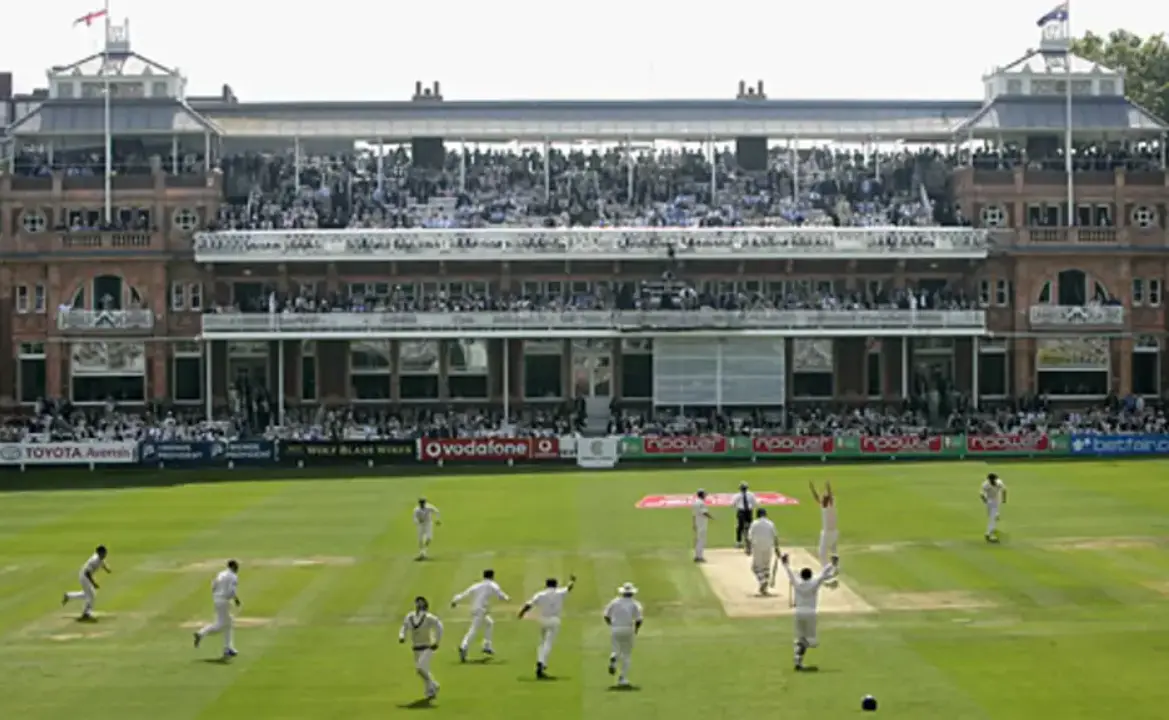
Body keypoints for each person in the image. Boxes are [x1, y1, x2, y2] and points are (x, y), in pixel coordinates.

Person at [781, 553, 839, 671]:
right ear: (810, 575)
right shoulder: (814, 583)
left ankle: (798, 659)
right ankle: (799, 656)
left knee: (800, 638)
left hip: (798, 612)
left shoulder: (797, 582)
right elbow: (823, 574)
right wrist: (832, 564)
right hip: (810, 613)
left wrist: (785, 562)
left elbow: (790, 573)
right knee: (810, 640)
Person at [518, 574, 576, 679]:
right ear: (556, 585)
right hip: (554, 620)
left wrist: (522, 613)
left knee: (541, 643)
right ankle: (542, 663)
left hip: (543, 619)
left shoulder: (540, 594)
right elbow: (569, 588)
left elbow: (529, 604)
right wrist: (572, 580)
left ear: (546, 585)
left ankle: (540, 661)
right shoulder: (559, 592)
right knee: (548, 643)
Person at [451, 569, 510, 662]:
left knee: (489, 623)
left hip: (475, 609)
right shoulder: (492, 585)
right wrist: (507, 599)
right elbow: (500, 595)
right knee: (474, 629)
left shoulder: (477, 585)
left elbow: (465, 593)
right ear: (492, 576)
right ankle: (464, 646)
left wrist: (455, 601)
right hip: (481, 610)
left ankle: (487, 646)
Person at [194, 560, 241, 658]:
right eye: (237, 567)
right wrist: (234, 599)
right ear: (233, 567)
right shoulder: (233, 577)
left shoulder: (221, 574)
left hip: (217, 599)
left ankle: (228, 648)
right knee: (220, 625)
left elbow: (213, 585)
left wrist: (217, 596)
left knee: (229, 622)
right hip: (224, 601)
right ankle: (201, 633)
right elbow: (231, 591)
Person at [399, 596, 443, 700]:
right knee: (424, 670)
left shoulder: (428, 617)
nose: (419, 605)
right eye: (417, 602)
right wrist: (402, 636)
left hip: (427, 647)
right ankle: (430, 690)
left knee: (420, 668)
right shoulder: (410, 616)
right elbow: (404, 627)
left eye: (421, 603)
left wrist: (437, 641)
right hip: (416, 647)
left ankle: (433, 685)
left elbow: (439, 627)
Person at [603, 582, 643, 687]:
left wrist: (611, 625)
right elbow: (639, 619)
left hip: (616, 628)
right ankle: (622, 678)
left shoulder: (614, 602)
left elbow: (606, 615)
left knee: (616, 648)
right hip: (628, 629)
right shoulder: (634, 604)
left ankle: (614, 657)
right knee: (626, 654)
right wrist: (636, 630)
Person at [62, 545, 110, 620]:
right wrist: (94, 583)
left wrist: (106, 569)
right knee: (91, 594)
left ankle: (68, 596)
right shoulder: (94, 560)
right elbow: (87, 573)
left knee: (87, 594)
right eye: (104, 553)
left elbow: (102, 563)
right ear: (100, 553)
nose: (106, 555)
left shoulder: (100, 558)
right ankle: (86, 613)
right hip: (84, 576)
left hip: (86, 575)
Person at [746, 509, 781, 595]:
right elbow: (775, 536)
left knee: (755, 567)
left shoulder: (754, 523)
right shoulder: (770, 523)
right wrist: (777, 549)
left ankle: (762, 581)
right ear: (765, 514)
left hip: (757, 546)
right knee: (766, 567)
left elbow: (749, 537)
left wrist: (748, 548)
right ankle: (764, 588)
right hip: (768, 546)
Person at [810, 481, 839, 576]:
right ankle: (835, 567)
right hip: (834, 532)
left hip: (827, 533)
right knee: (833, 551)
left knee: (822, 553)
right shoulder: (830, 507)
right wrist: (813, 489)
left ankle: (827, 571)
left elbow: (828, 497)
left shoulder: (827, 507)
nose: (821, 500)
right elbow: (818, 498)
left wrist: (828, 488)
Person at [981, 473, 1007, 542]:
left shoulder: (999, 482)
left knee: (992, 518)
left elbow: (1004, 490)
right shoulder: (986, 484)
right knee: (991, 516)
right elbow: (982, 494)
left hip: (996, 500)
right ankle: (996, 515)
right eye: (991, 480)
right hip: (989, 501)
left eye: (994, 479)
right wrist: (985, 500)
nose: (993, 481)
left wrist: (1004, 499)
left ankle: (989, 533)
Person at [732, 482, 758, 551]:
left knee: (750, 526)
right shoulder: (737, 496)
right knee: (740, 526)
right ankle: (739, 542)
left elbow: (755, 503)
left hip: (748, 511)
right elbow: (733, 504)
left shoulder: (751, 495)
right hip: (742, 511)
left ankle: (750, 541)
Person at [692, 489, 713, 562]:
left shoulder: (695, 502)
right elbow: (704, 512)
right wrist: (711, 517)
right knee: (701, 541)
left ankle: (697, 556)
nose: (705, 496)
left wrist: (693, 524)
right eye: (704, 494)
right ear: (702, 495)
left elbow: (694, 515)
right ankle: (699, 557)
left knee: (698, 540)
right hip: (702, 524)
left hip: (698, 523)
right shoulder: (701, 503)